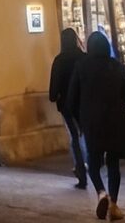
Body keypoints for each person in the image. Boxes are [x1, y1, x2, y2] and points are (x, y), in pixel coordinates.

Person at [68, 31, 125, 221]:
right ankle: (113, 204)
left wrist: (80, 120)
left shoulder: (81, 67)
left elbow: (71, 99)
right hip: (116, 120)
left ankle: (101, 192)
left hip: (92, 121)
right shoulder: (117, 67)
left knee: (93, 162)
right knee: (113, 163)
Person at [48, 27, 88, 188]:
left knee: (74, 138)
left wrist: (55, 96)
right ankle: (91, 166)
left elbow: (53, 90)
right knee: (85, 134)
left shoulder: (59, 60)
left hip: (67, 105)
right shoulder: (84, 58)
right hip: (85, 103)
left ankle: (80, 169)